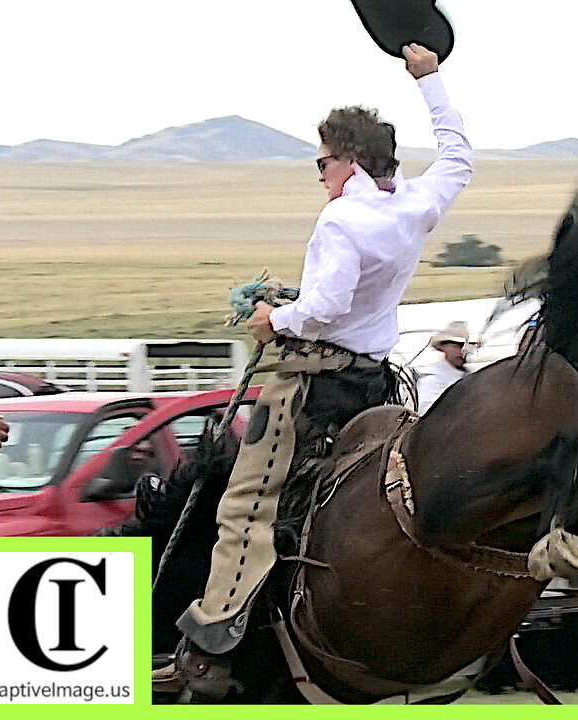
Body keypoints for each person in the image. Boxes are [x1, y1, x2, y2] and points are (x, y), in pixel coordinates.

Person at [162, 43, 472, 696]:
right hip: (377, 386)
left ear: (349, 160)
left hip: (314, 386)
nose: (320, 174)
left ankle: (212, 644)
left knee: (245, 504)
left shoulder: (341, 219)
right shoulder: (415, 205)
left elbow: (326, 307)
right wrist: (430, 79)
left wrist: (273, 318)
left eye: (323, 161)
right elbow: (457, 156)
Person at [415, 321, 470, 413]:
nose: (461, 352)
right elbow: (426, 412)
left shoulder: (467, 374)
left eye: (463, 347)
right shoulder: (433, 378)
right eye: (456, 346)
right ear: (444, 347)